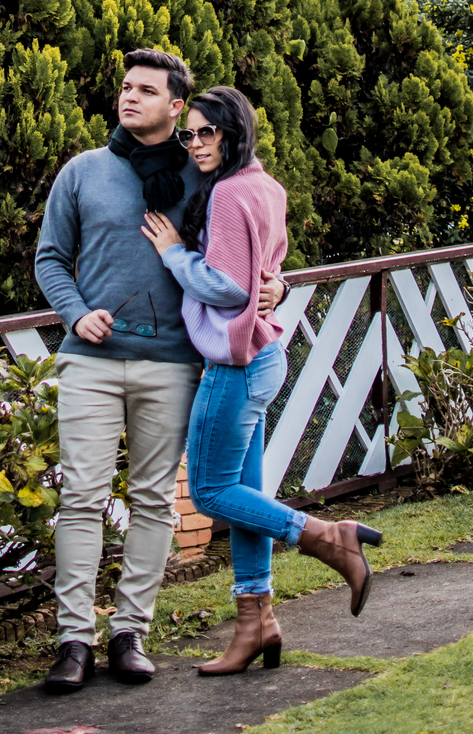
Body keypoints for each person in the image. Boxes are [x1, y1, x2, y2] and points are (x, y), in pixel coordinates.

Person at [34, 50, 285, 694]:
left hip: (173, 364)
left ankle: (129, 632)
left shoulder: (204, 173)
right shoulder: (84, 172)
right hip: (90, 361)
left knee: (153, 502)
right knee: (82, 499)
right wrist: (73, 312)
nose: (130, 97)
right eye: (125, 87)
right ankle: (73, 640)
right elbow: (51, 259)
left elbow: (247, 244)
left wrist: (273, 283)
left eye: (146, 90)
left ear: (177, 106)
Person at [141, 85, 382, 677]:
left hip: (235, 362)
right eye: (189, 133)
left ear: (232, 132)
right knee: (244, 498)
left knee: (209, 493)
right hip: (263, 355)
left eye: (207, 132)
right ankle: (257, 623)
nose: (196, 143)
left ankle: (327, 535)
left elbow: (226, 285)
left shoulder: (226, 193)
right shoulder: (265, 185)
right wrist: (274, 287)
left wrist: (173, 253)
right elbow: (264, 269)